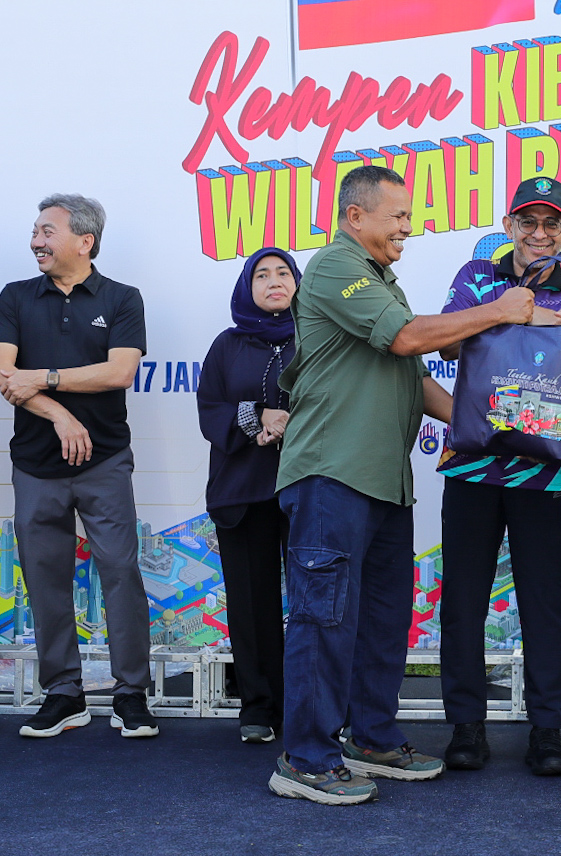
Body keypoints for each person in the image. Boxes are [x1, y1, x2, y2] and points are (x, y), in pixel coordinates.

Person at [266, 164, 537, 807]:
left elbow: (417, 382)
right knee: (324, 617)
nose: (407, 229)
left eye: (409, 218)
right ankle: (305, 758)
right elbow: (408, 339)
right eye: (398, 217)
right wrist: (497, 310)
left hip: (386, 482)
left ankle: (372, 738)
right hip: (331, 473)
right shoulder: (335, 266)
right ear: (355, 216)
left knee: (384, 621)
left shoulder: (383, 281)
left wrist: (498, 429)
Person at [436, 177, 561, 776]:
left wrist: (504, 325)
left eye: (552, 223)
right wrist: (526, 317)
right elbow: (449, 341)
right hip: (472, 467)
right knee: (463, 601)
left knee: (545, 605)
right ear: (509, 226)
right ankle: (466, 726)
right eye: (528, 221)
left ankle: (547, 731)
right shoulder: (478, 276)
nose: (539, 233)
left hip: (544, 472)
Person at [0, 194, 155, 740]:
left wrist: (43, 378)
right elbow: (0, 372)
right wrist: (59, 414)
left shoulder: (122, 298)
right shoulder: (15, 296)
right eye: (35, 231)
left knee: (121, 573)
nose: (36, 241)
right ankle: (63, 693)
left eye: (47, 232)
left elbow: (119, 371)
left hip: (105, 460)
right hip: (35, 464)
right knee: (45, 578)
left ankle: (131, 693)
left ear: (85, 241)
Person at [197, 246, 302, 745]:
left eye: (283, 272)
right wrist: (257, 417)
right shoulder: (227, 345)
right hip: (242, 491)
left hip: (307, 487)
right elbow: (209, 409)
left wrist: (291, 421)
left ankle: (309, 706)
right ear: (247, 287)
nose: (274, 281)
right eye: (261, 275)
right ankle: (258, 707)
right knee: (251, 603)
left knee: (313, 603)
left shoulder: (318, 337)